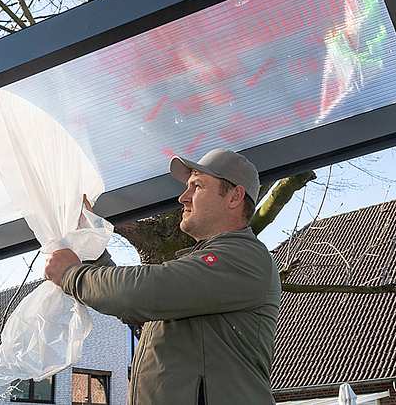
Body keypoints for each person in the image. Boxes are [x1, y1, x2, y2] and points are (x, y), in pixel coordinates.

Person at [44, 148, 281, 405]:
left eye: (197, 186)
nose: (183, 197)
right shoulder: (203, 275)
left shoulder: (243, 257)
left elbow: (141, 293)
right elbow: (142, 309)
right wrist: (95, 251)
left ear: (234, 197)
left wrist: (71, 274)